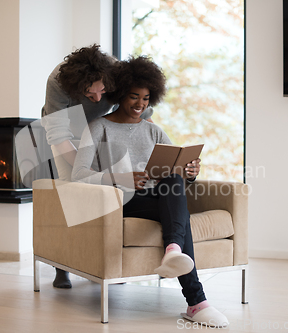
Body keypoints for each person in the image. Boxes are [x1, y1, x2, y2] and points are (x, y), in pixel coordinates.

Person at [71, 56, 229, 328]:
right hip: (121, 200)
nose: (140, 105)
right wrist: (121, 177)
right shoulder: (98, 128)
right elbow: (78, 175)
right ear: (120, 94)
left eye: (146, 99)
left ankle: (173, 251)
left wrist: (190, 172)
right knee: (180, 219)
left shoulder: (153, 130)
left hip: (157, 198)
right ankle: (197, 301)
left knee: (174, 179)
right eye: (134, 97)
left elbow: (176, 164)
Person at [41, 45, 153, 288]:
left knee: (111, 192)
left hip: (102, 129)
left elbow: (141, 113)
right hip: (67, 136)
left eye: (103, 92)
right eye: (90, 95)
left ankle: (102, 262)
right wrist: (87, 170)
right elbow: (59, 136)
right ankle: (63, 265)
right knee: (74, 192)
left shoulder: (116, 71)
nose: (99, 99)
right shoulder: (57, 82)